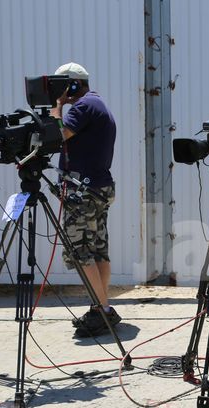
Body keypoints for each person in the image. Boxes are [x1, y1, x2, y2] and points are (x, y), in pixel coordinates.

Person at [49, 62, 120, 337]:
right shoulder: (97, 103)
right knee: (98, 249)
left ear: (74, 84)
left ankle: (102, 310)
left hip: (84, 192)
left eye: (62, 86)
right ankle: (102, 308)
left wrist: (57, 106)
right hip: (99, 188)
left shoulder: (83, 107)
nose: (58, 92)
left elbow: (59, 134)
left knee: (79, 251)